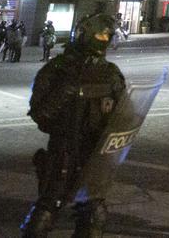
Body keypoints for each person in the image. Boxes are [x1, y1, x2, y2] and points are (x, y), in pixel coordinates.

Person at [20, 13, 126, 236]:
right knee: (48, 208)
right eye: (99, 34)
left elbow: (123, 116)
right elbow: (41, 114)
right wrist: (67, 90)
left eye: (108, 35)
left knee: (93, 212)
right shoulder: (58, 68)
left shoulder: (110, 73)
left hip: (94, 154)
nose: (104, 40)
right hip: (64, 150)